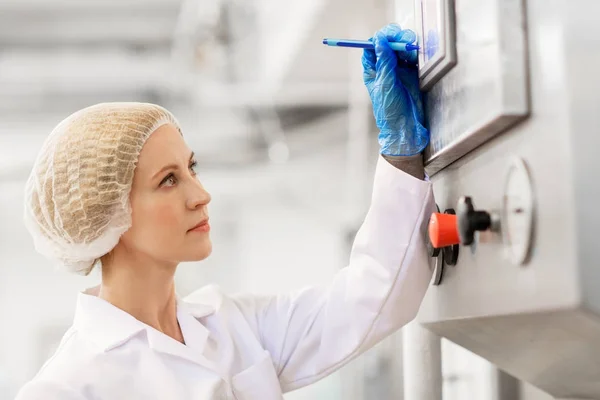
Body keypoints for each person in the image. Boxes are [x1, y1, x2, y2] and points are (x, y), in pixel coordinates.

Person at [15, 23, 434, 400]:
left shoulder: (231, 324)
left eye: (191, 168)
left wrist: (400, 150)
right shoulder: (66, 387)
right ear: (107, 212)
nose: (201, 195)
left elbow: (371, 298)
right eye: (168, 180)